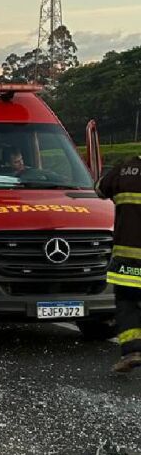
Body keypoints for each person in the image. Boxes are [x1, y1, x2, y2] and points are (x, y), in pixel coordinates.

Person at [97, 156, 141, 373]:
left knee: (127, 303)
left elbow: (99, 189)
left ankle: (132, 352)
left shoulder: (124, 170)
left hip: (127, 257)